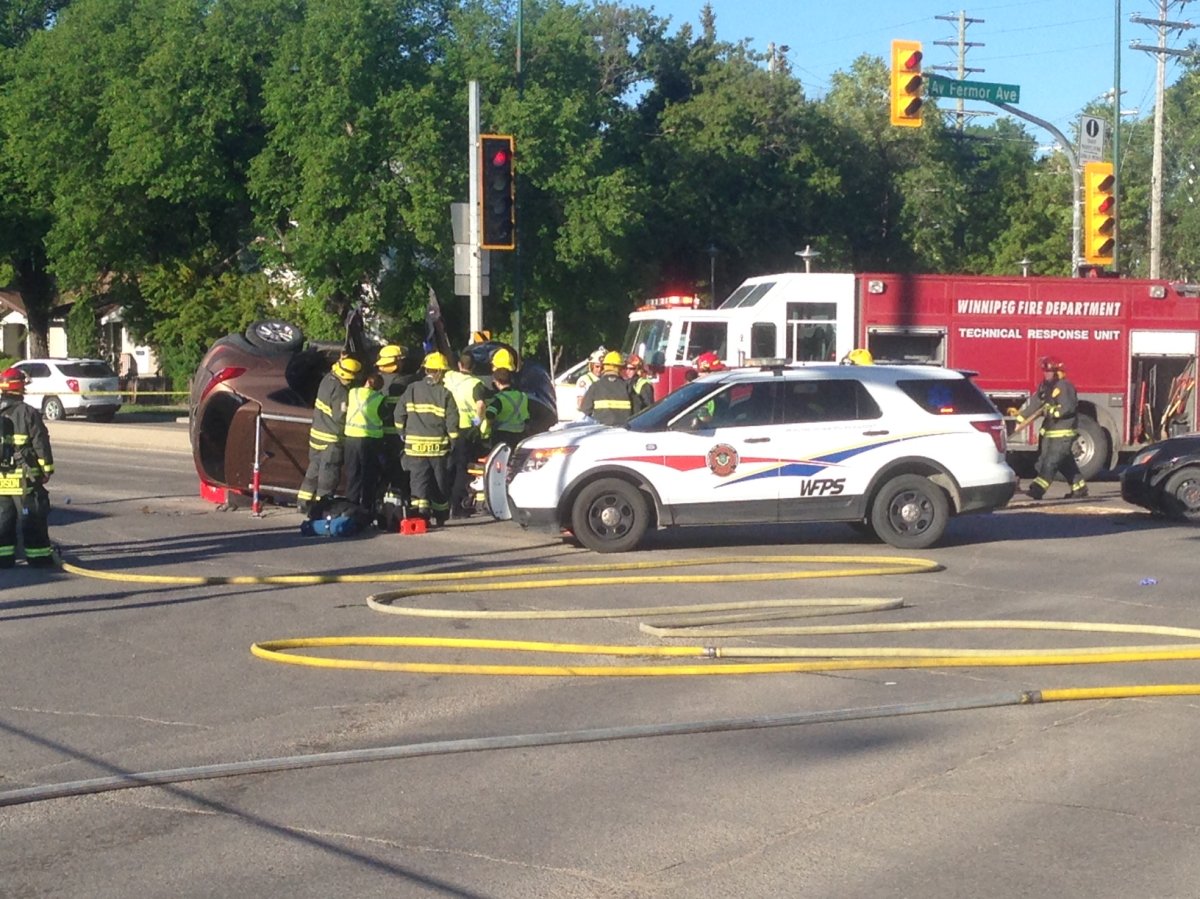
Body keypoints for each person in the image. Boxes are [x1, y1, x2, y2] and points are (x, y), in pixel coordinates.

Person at [396, 351, 459, 526]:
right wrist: (453, 442)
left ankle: (420, 514)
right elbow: (452, 422)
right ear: (439, 372)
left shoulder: (412, 389)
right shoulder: (445, 394)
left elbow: (398, 413)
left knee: (418, 480)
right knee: (439, 481)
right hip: (437, 448)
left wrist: (402, 433)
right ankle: (440, 516)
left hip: (414, 447)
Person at [0, 368, 54, 569]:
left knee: (3, 519)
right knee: (32, 517)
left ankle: (3, 558)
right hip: (24, 476)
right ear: (18, 386)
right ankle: (38, 557)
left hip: (0, 477)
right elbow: (40, 443)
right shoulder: (28, 412)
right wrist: (46, 469)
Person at [1016, 356, 1088, 499]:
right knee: (1064, 462)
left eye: (1050, 372)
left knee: (1050, 462)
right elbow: (1036, 403)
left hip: (1064, 432)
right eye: (1045, 371)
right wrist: (1020, 418)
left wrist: (1050, 412)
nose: (1046, 374)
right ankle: (1079, 488)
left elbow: (1068, 408)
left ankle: (1037, 489)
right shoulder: (1045, 386)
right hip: (1051, 431)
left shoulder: (1064, 386)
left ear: (1058, 372)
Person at [297, 355, 361, 512]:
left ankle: (303, 501)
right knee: (329, 473)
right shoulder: (340, 391)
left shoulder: (327, 379)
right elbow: (341, 416)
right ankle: (322, 505)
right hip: (331, 438)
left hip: (317, 435)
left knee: (314, 469)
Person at [443, 352, 487, 517]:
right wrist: (478, 420)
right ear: (473, 367)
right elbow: (481, 405)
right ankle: (457, 506)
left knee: (447, 465)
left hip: (447, 426)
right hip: (465, 428)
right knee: (461, 468)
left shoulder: (449, 377)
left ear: (460, 365)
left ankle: (443, 504)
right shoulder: (476, 384)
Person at [374, 344, 414, 515]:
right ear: (397, 363)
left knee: (380, 474)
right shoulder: (404, 382)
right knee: (399, 472)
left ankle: (378, 503)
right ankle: (400, 502)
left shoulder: (373, 382)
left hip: (376, 435)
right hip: (397, 436)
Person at [343, 371, 385, 509]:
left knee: (352, 474)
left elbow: (344, 408)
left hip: (350, 438)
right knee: (368, 476)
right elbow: (384, 416)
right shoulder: (380, 398)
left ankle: (350, 507)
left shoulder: (353, 393)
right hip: (370, 440)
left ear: (367, 381)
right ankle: (367, 508)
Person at [582, 350, 638, 426]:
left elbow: (585, 411)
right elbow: (638, 412)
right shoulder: (627, 387)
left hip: (601, 432)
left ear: (604, 366)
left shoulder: (595, 386)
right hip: (623, 431)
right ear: (620, 368)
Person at [485, 363, 530, 449]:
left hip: (502, 436)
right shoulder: (523, 396)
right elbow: (527, 416)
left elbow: (490, 414)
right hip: (520, 435)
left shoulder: (499, 399)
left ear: (497, 382)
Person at [576, 347, 607, 411]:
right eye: (597, 366)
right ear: (591, 366)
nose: (599, 369)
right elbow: (580, 403)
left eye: (602, 367)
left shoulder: (606, 380)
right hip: (588, 417)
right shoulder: (584, 380)